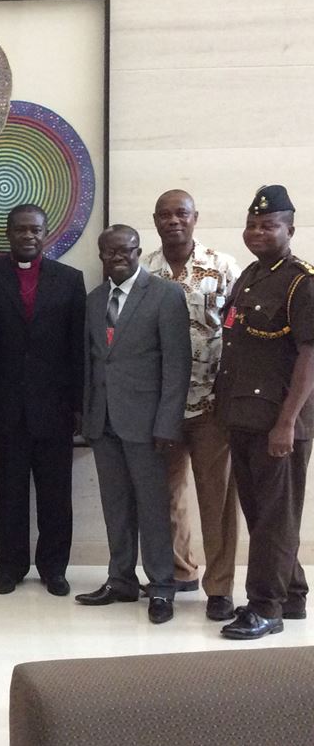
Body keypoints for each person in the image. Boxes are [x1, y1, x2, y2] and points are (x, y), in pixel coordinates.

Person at [77, 224, 191, 624]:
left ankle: (161, 586)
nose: (117, 258)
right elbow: (93, 363)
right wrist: (87, 416)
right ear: (101, 255)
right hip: (103, 420)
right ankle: (120, 579)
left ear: (139, 251)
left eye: (125, 251)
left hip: (147, 424)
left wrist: (168, 423)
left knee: (153, 508)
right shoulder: (93, 301)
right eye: (110, 252)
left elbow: (178, 366)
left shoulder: (165, 295)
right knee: (116, 506)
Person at [215, 185, 314, 640]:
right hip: (244, 416)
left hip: (278, 422)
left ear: (289, 230)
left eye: (268, 224)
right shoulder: (252, 275)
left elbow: (309, 356)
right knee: (262, 513)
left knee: (274, 515)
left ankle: (265, 607)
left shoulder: (301, 281)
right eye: (252, 224)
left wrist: (287, 423)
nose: (257, 231)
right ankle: (292, 594)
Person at [143, 189, 241, 621]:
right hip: (161, 406)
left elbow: (241, 332)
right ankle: (178, 571)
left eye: (181, 213)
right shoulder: (144, 269)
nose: (173, 221)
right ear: (155, 220)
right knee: (164, 494)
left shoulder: (223, 267)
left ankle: (219, 587)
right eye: (165, 215)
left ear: (195, 218)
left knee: (215, 499)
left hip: (211, 405)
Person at [0, 204, 85, 598]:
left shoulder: (69, 280)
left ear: (46, 234)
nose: (29, 236)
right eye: (21, 230)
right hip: (6, 407)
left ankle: (54, 568)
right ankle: (11, 567)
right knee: (10, 493)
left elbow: (77, 349)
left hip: (55, 409)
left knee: (56, 495)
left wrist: (78, 406)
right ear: (8, 234)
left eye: (36, 230)